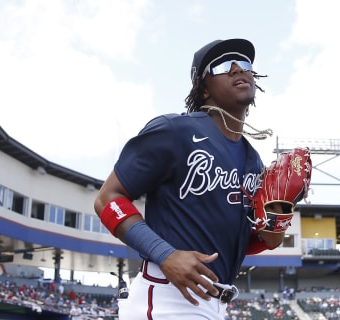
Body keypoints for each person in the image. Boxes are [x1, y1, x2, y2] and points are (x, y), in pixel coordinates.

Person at [94, 38, 285, 319]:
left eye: (244, 64)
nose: (237, 69)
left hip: (215, 302)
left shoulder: (254, 160)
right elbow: (107, 199)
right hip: (169, 296)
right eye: (223, 65)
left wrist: (279, 216)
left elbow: (248, 240)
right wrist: (165, 254)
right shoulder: (175, 131)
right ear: (204, 89)